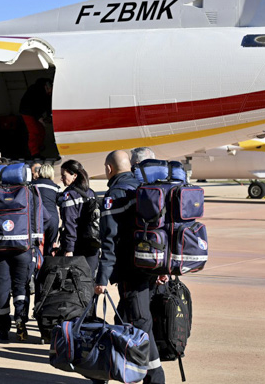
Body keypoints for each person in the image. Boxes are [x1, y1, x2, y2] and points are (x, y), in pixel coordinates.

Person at [94, 149, 166, 383]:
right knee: (124, 320)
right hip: (149, 267)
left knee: (140, 324)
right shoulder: (142, 188)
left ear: (108, 169)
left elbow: (109, 242)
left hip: (130, 271)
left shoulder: (115, 195)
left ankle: (155, 378)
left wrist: (101, 278)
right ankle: (119, 371)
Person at [58, 160, 99, 277]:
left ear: (74, 175)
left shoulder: (69, 195)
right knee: (89, 280)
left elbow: (70, 223)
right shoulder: (91, 193)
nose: (61, 178)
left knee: (76, 282)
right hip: (93, 243)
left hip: (78, 245)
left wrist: (69, 249)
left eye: (63, 175)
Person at [19, 78, 53, 158]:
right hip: (27, 112)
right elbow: (33, 106)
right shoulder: (35, 90)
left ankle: (39, 147)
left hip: (36, 113)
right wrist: (39, 118)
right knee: (34, 131)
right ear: (47, 87)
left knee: (41, 130)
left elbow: (48, 105)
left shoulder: (47, 93)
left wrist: (49, 116)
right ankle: (34, 154)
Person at [32, 163, 60, 256]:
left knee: (34, 247)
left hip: (37, 219)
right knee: (49, 248)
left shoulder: (32, 185)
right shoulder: (56, 188)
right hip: (53, 220)